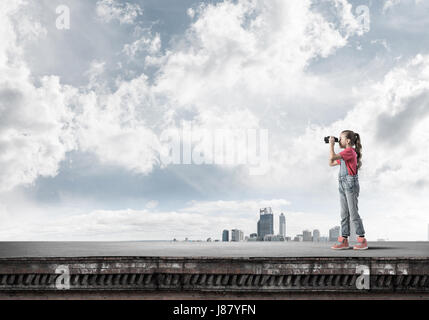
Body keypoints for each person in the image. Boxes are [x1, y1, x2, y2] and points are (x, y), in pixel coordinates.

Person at [328, 130, 368, 250]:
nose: (338, 140)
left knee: (353, 213)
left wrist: (331, 145)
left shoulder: (350, 151)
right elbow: (331, 163)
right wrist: (332, 147)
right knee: (344, 213)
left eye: (340, 138)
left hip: (350, 185)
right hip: (342, 184)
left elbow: (333, 156)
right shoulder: (345, 154)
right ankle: (344, 240)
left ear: (348, 141)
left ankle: (362, 239)